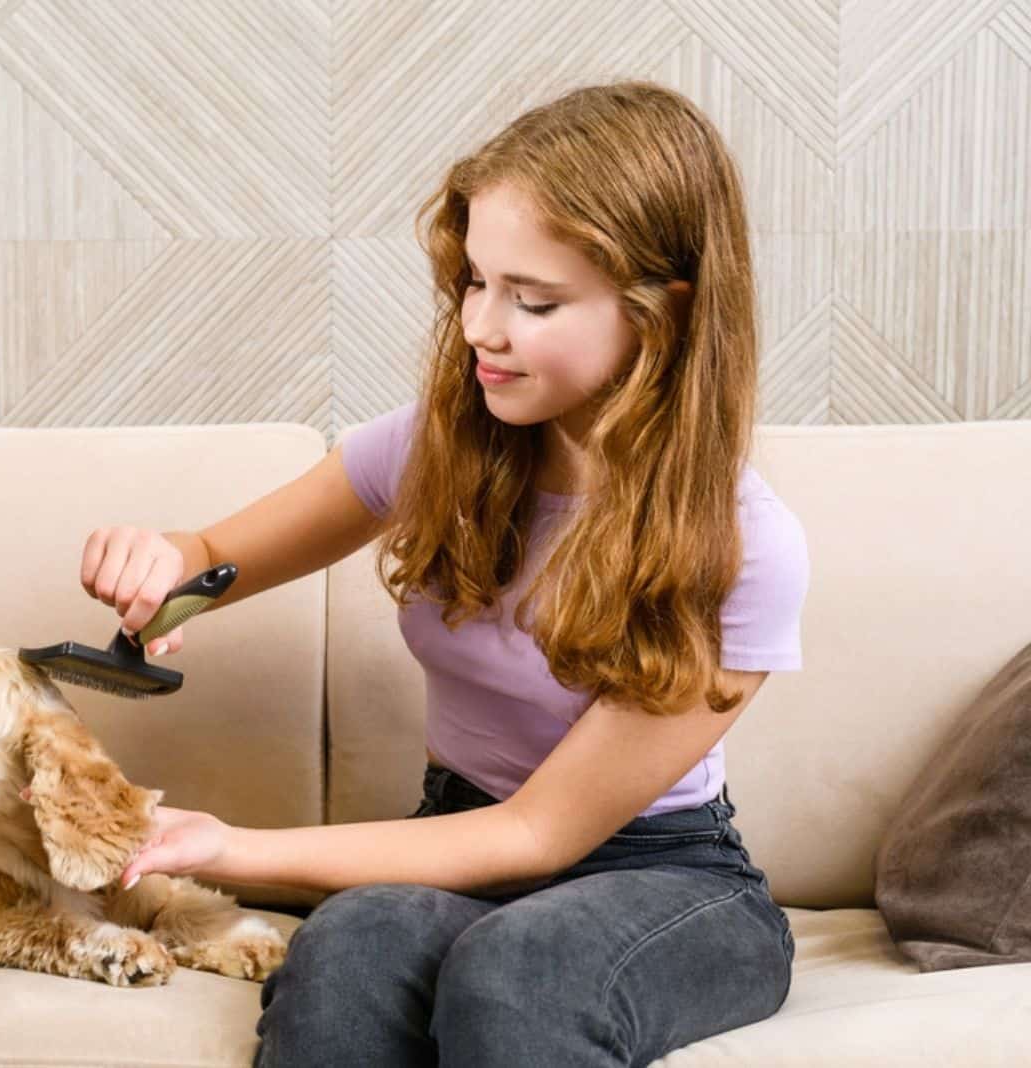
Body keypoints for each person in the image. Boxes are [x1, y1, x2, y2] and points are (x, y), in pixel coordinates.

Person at [80, 81, 808, 1067]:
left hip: (668, 883)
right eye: (473, 282)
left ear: (661, 313)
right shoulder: (442, 449)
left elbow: (536, 836)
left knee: (518, 976)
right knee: (347, 954)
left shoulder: (741, 545)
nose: (480, 327)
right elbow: (207, 561)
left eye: (533, 299)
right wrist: (158, 567)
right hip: (454, 836)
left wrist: (232, 845)